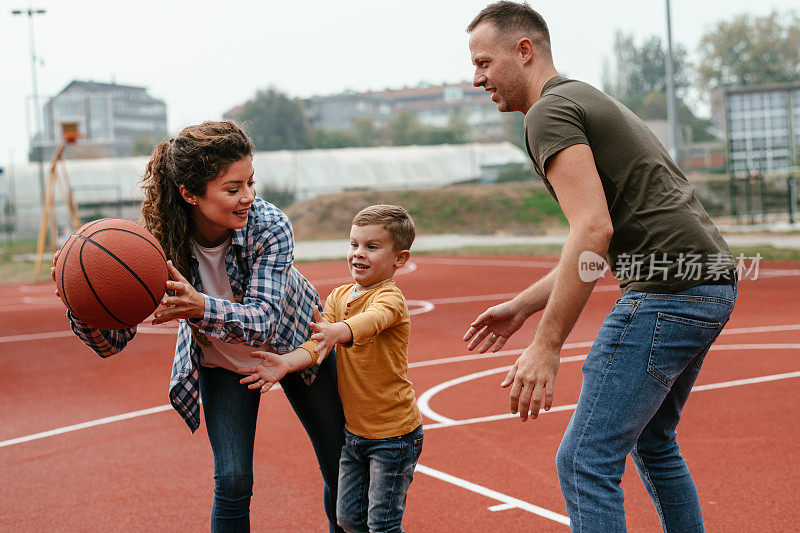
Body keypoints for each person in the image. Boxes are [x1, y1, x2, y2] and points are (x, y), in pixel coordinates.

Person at [463, 3, 736, 531]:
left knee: (584, 460)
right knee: (653, 442)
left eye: (484, 62)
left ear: (525, 51)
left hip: (668, 294)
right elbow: (600, 244)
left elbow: (591, 231)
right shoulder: (584, 96)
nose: (476, 78)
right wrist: (522, 306)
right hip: (709, 284)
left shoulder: (549, 112)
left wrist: (546, 345)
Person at [51, 120, 346, 532]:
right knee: (232, 479)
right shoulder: (155, 243)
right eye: (232, 188)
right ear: (189, 193)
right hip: (221, 362)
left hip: (298, 346)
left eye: (250, 182)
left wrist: (200, 307)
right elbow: (110, 343)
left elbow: (263, 320)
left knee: (340, 468)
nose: (248, 197)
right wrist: (79, 300)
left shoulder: (269, 225)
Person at [239, 204, 423, 533]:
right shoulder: (339, 296)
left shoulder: (391, 299)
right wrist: (285, 363)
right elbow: (316, 345)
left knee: (382, 525)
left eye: (372, 246)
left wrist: (338, 331)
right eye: (354, 244)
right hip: (355, 435)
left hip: (393, 436)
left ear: (400, 259)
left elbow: (371, 321)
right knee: (349, 519)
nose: (358, 254)